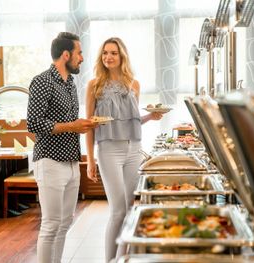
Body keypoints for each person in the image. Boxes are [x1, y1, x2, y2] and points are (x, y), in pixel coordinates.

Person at [85, 37, 164, 262]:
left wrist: (151, 116)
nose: (108, 57)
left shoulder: (133, 84)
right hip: (109, 150)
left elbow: (132, 119)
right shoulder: (94, 85)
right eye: (105, 53)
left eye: (113, 53)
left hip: (134, 149)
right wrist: (90, 160)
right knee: (117, 210)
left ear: (122, 57)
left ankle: (122, 259)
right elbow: (90, 125)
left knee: (130, 209)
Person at [27, 32, 97, 263]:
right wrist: (71, 126)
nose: (82, 58)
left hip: (71, 161)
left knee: (65, 222)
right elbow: (34, 124)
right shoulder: (42, 81)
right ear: (66, 54)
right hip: (50, 161)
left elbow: (71, 124)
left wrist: (82, 125)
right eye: (79, 53)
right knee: (50, 224)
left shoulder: (70, 83)